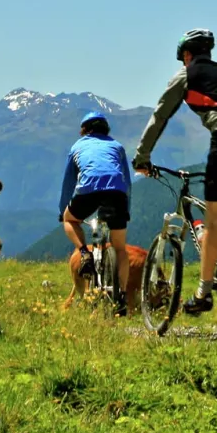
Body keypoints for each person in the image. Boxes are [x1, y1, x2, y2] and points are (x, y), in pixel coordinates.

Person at [133, 28, 217, 314]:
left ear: (186, 54)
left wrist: (142, 157)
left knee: (213, 222)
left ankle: (203, 294)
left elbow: (160, 116)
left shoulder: (185, 75)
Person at [58, 111, 133, 316]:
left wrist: (62, 209)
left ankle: (84, 253)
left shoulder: (77, 147)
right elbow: (126, 182)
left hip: (87, 192)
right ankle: (123, 298)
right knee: (120, 249)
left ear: (84, 130)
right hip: (116, 193)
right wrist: (126, 208)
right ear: (106, 129)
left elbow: (68, 183)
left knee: (69, 219)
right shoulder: (117, 146)